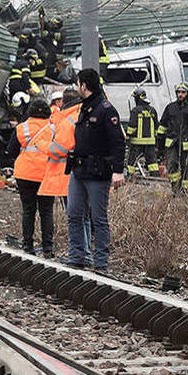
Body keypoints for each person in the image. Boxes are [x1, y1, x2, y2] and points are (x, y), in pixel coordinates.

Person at [65, 69, 125, 270]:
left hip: (98, 172)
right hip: (79, 170)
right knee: (74, 214)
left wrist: (118, 171)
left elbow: (118, 142)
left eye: (78, 84)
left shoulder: (106, 109)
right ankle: (77, 257)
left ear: (84, 86)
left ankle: (100, 262)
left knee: (98, 218)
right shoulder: (85, 107)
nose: (76, 88)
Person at [39, 89, 91, 265]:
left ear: (64, 103)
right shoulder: (86, 114)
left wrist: (44, 145)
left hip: (67, 175)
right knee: (85, 216)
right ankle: (86, 253)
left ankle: (79, 255)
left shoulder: (67, 120)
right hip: (87, 172)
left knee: (75, 216)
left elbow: (59, 150)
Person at [6, 98, 54, 256]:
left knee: (28, 210)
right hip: (46, 174)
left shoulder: (22, 128)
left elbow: (11, 150)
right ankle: (48, 248)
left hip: (24, 174)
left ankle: (28, 246)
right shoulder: (54, 128)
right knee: (46, 211)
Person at [157, 83, 188, 195]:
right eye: (178, 92)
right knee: (172, 165)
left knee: (187, 167)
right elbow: (163, 124)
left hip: (187, 143)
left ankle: (187, 191)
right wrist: (159, 141)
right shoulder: (170, 107)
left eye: (183, 92)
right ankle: (176, 189)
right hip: (172, 142)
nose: (180, 95)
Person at [125, 88, 159, 178]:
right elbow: (157, 127)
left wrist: (127, 137)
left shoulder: (135, 111)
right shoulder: (152, 110)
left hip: (137, 142)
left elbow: (132, 127)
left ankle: (129, 178)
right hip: (150, 143)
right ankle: (156, 178)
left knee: (132, 162)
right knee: (152, 162)